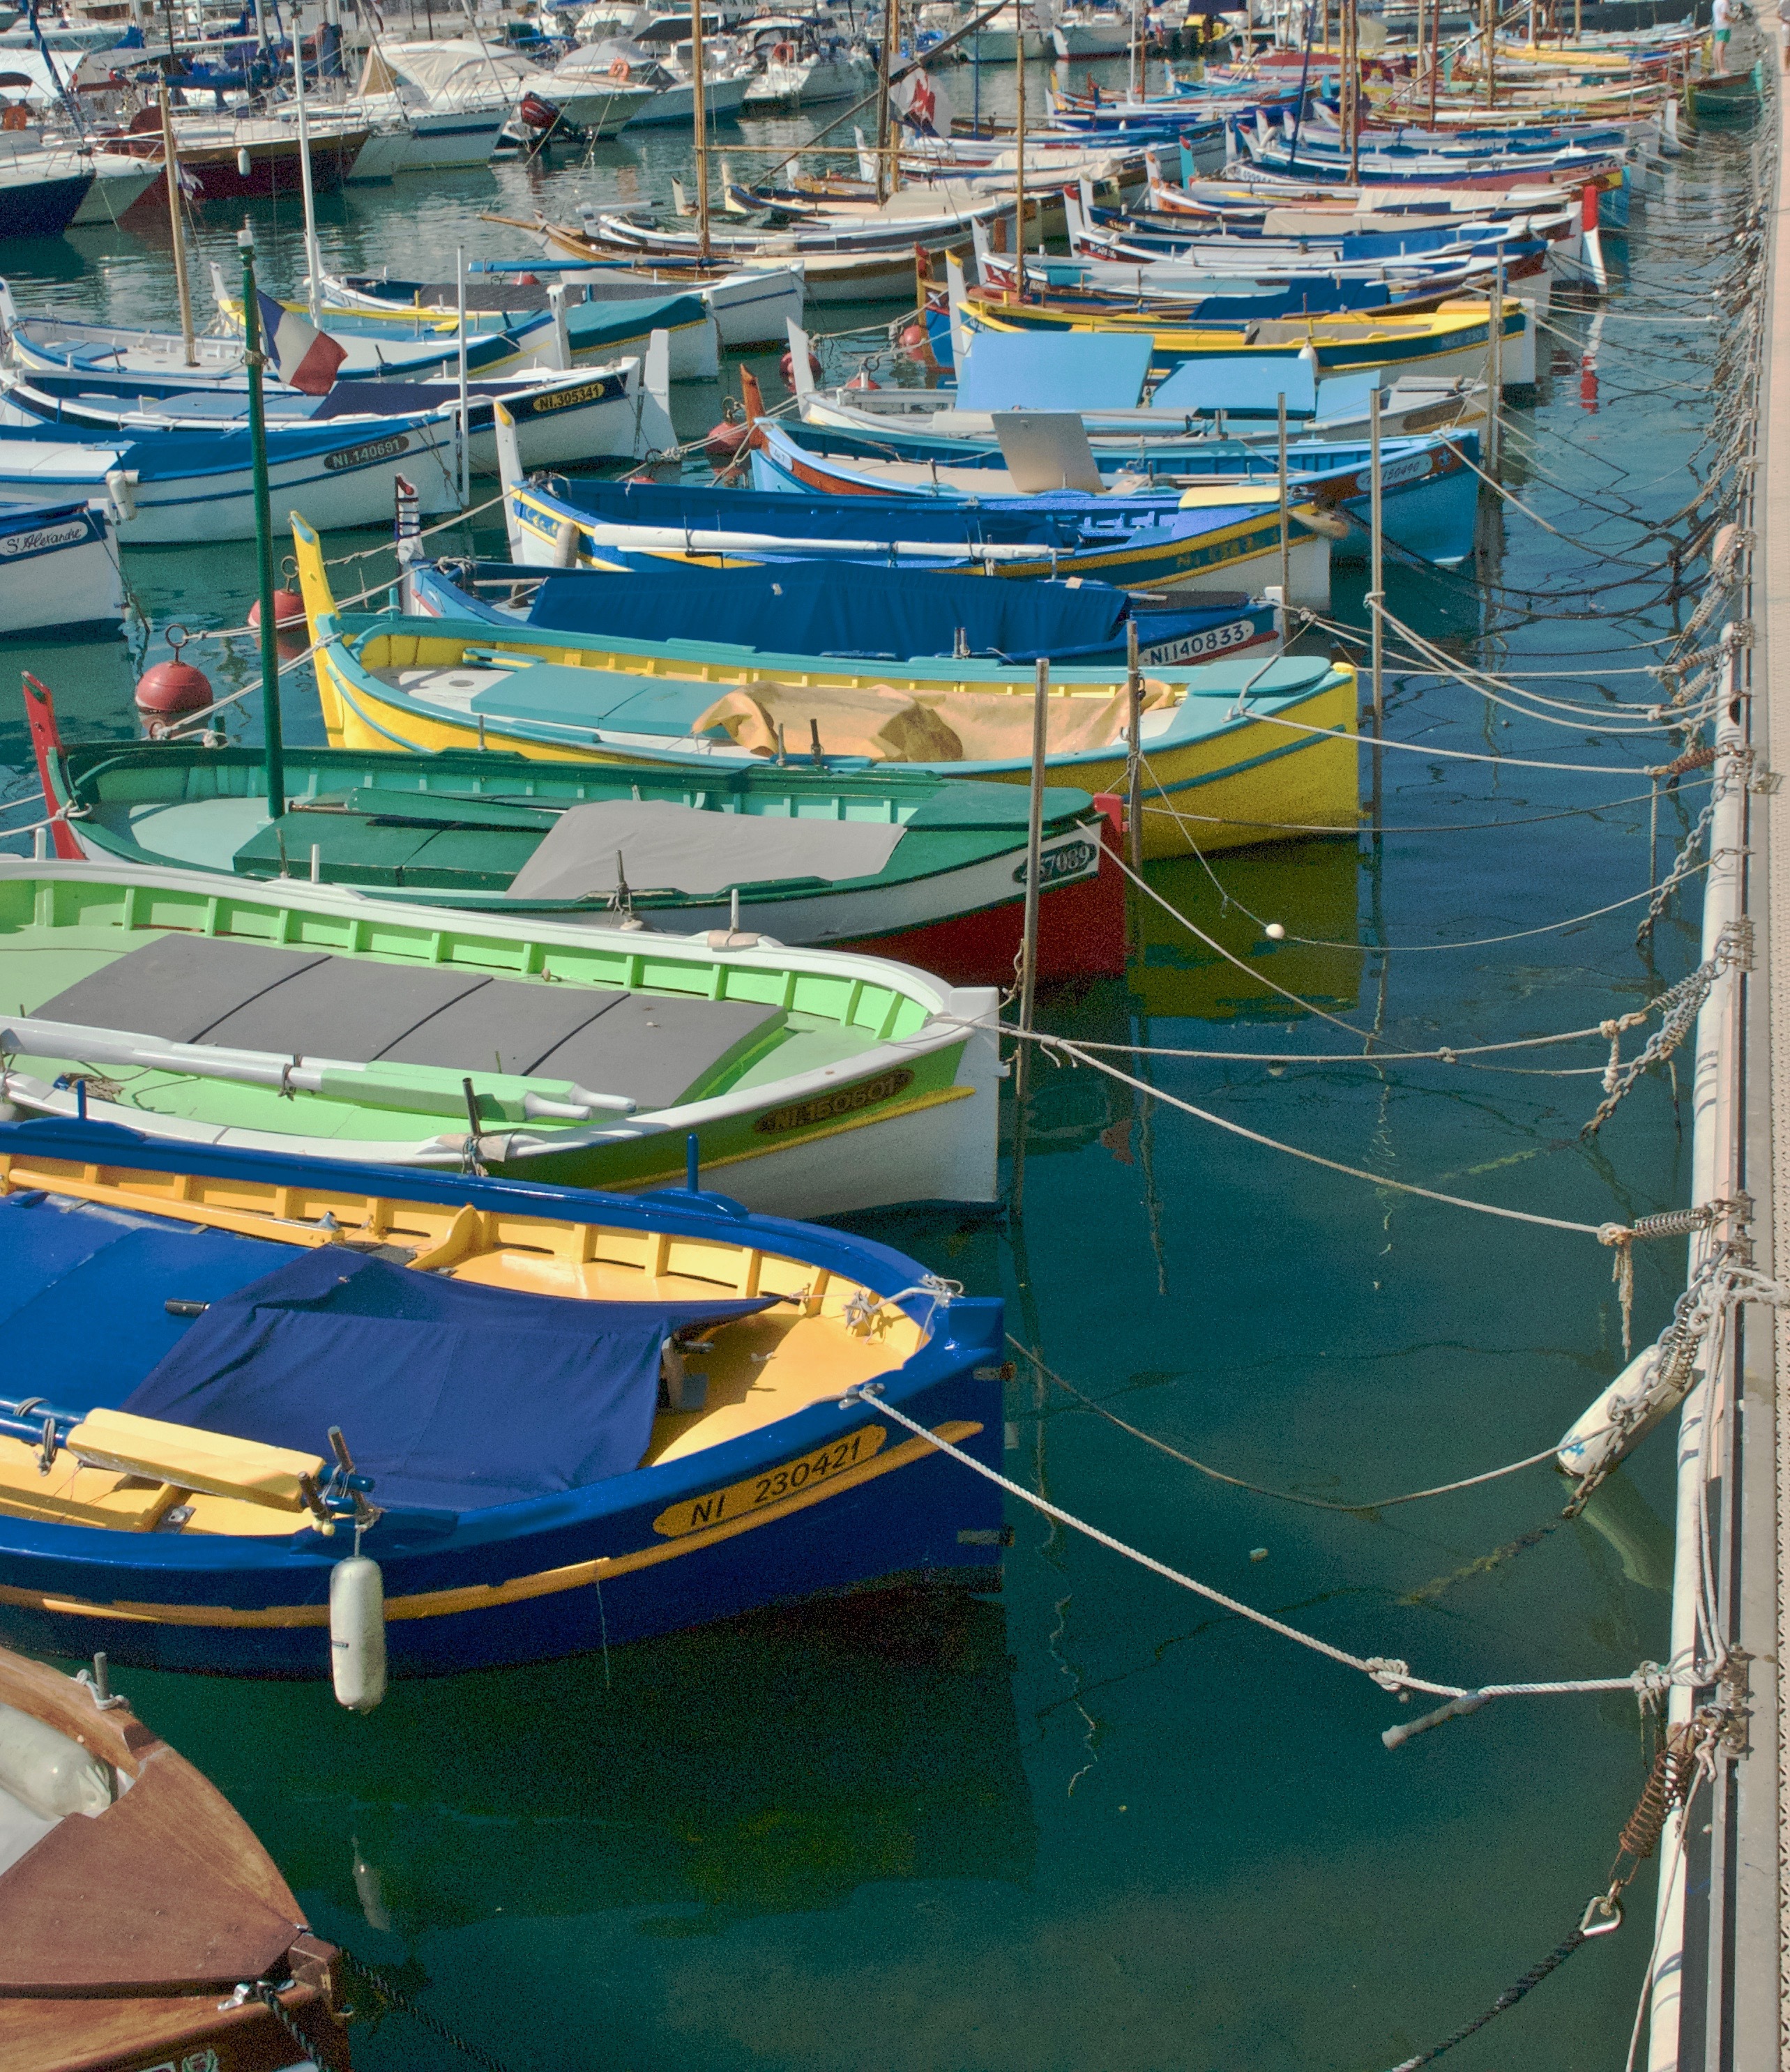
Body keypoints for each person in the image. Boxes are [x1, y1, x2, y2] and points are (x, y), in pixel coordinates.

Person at [1712, 0, 1731, 74]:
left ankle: (1717, 69)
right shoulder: (1724, 3)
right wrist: (1733, 20)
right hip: (1724, 27)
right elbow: (1724, 17)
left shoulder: (1716, 2)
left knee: (1716, 48)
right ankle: (1722, 69)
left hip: (1717, 26)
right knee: (1721, 48)